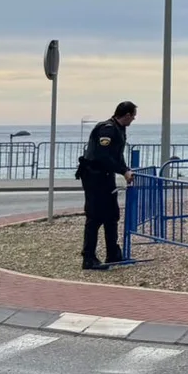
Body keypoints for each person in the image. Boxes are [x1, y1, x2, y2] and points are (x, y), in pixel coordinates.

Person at [78, 101, 136, 270]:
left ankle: (113, 252)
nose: (133, 120)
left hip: (106, 176)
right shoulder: (107, 129)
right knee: (95, 216)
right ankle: (88, 257)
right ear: (127, 115)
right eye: (133, 116)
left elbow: (117, 155)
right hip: (94, 176)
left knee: (112, 215)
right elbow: (103, 156)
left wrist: (125, 170)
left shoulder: (119, 129)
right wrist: (123, 171)